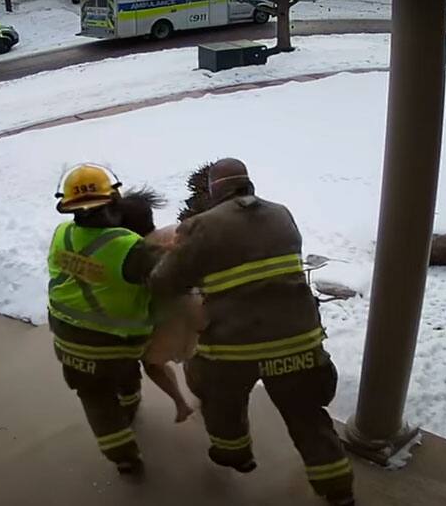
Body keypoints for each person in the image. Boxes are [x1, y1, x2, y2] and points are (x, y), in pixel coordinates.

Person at [150, 158, 355, 506]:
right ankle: (338, 488)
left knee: (218, 397)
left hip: (233, 349)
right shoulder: (282, 214)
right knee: (307, 415)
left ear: (214, 192)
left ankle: (235, 454)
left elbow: (164, 283)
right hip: (298, 340)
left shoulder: (200, 226)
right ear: (249, 185)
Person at [47, 163, 161, 474]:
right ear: (114, 202)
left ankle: (122, 455)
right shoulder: (129, 246)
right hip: (117, 345)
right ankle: (130, 405)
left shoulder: (61, 235)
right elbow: (168, 281)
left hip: (67, 342)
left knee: (95, 398)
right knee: (125, 378)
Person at [116, 188, 198, 423]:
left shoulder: (134, 252)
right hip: (196, 307)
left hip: (164, 318)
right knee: (197, 354)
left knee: (152, 363)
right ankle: (205, 394)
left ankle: (181, 403)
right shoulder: (175, 232)